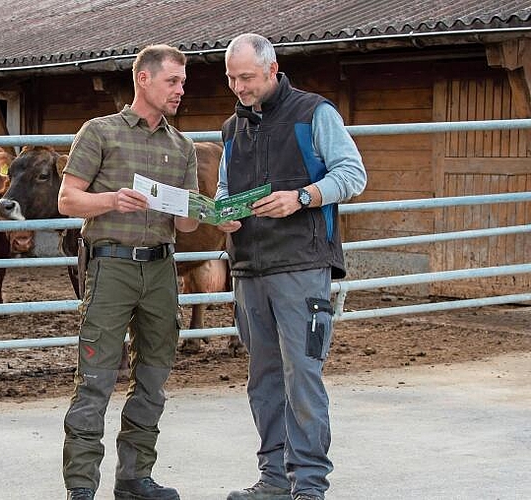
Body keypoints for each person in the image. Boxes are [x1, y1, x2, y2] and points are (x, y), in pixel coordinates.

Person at [216, 34, 367, 500]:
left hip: (301, 264)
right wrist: (223, 211)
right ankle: (274, 479)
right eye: (231, 79)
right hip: (249, 268)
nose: (239, 87)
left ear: (272, 69)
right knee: (263, 377)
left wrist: (303, 197)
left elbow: (352, 173)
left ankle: (309, 484)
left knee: (302, 374)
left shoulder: (313, 113)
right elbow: (224, 187)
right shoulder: (231, 129)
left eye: (246, 77)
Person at [58, 44, 199, 500]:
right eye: (172, 81)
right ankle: (81, 485)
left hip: (160, 268)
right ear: (144, 79)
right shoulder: (100, 133)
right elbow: (67, 200)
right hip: (111, 266)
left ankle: (136, 477)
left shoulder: (183, 146)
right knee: (96, 378)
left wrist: (212, 215)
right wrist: (111, 200)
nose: (180, 89)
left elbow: (188, 221)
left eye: (182, 82)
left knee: (154, 376)